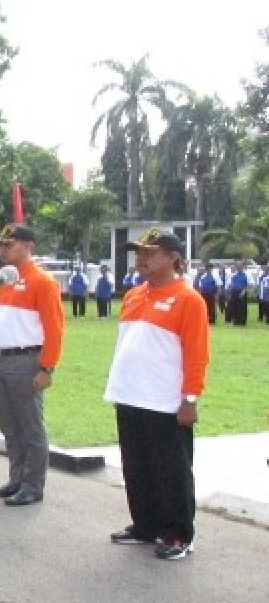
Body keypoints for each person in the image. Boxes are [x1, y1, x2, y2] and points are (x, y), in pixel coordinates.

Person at [104, 228, 209, 561]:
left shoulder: (188, 299)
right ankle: (145, 526)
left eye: (150, 252)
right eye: (139, 253)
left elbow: (197, 353)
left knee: (172, 470)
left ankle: (178, 533)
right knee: (136, 466)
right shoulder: (134, 295)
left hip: (164, 400)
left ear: (173, 258)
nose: (142, 259)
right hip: (131, 393)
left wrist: (190, 398)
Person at [0, 223, 64, 507]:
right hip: (0, 360)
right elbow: (0, 321)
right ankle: (16, 479)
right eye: (0, 244)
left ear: (28, 247)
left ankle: (32, 485)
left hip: (26, 360)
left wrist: (47, 367)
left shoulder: (42, 282)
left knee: (30, 426)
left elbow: (54, 328)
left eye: (9, 244)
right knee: (9, 426)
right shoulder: (2, 280)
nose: (2, 249)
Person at [227, 261, 249, 326]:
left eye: (240, 265)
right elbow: (230, 284)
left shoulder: (246, 274)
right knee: (234, 307)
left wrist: (244, 291)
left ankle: (242, 322)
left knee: (242, 307)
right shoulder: (233, 275)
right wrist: (229, 292)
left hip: (242, 292)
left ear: (242, 266)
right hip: (234, 292)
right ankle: (235, 321)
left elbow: (250, 285)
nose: (238, 267)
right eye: (237, 266)